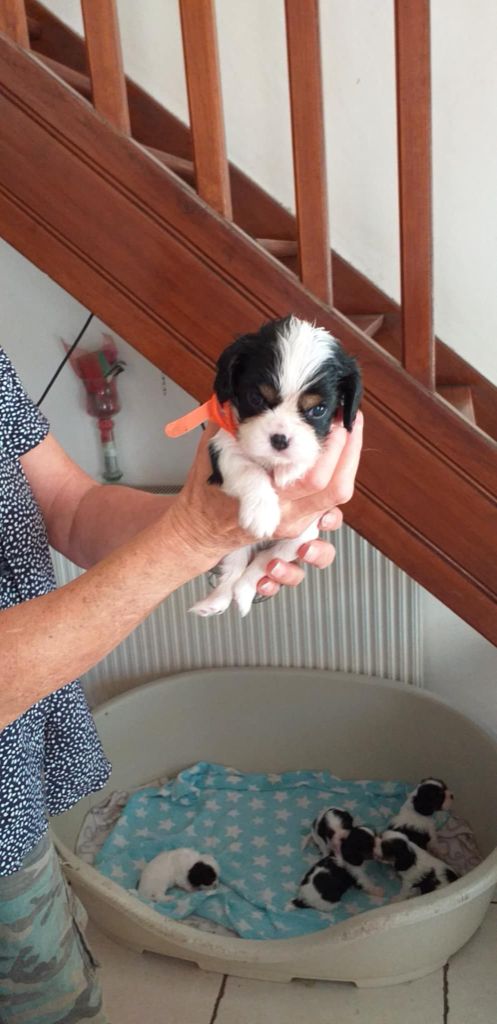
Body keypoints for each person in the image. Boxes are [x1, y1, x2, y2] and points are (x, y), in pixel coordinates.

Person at [0, 345, 363, 1023]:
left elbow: (71, 508)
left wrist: (223, 532)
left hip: (12, 800)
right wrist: (191, 538)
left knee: (55, 1000)